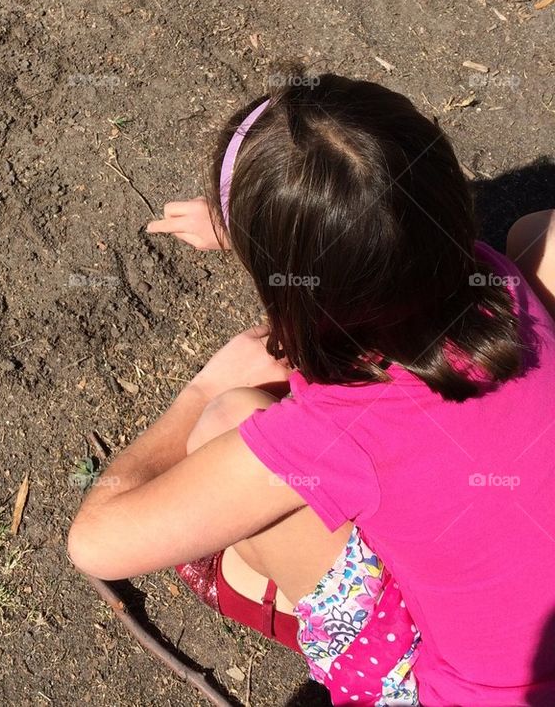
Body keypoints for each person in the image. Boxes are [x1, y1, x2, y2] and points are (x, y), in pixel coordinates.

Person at [67, 67, 555, 706]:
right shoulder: (497, 284)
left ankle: (250, 587)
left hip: (463, 693)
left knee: (228, 417)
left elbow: (96, 543)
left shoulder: (333, 430)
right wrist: (289, 237)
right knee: (538, 234)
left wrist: (204, 386)